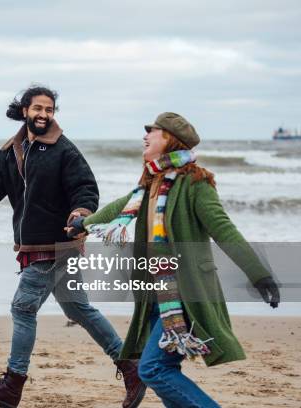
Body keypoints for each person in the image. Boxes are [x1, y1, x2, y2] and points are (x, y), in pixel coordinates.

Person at [67, 112, 281, 407]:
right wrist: (84, 224)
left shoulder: (195, 183)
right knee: (166, 368)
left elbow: (224, 229)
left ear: (169, 138)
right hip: (156, 292)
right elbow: (119, 206)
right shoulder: (150, 183)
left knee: (152, 369)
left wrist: (259, 274)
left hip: (183, 291)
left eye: (151, 131)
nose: (145, 136)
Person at [0, 85, 145, 408]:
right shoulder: (11, 150)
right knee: (77, 308)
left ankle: (12, 383)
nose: (44, 115)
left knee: (22, 308)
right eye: (38, 109)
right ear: (24, 111)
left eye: (49, 110)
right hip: (36, 242)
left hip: (55, 243)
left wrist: (80, 214)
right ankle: (130, 367)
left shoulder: (64, 151)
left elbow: (85, 189)